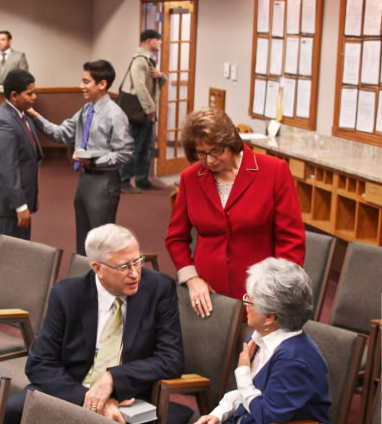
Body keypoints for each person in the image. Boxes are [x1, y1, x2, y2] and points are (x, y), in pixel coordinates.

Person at [0, 224, 186, 424]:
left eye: (138, 261)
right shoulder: (67, 294)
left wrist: (113, 379)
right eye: (124, 266)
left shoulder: (159, 288)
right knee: (13, 410)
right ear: (97, 268)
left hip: (129, 397)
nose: (135, 274)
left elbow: (172, 358)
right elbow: (39, 362)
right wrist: (90, 400)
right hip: (71, 387)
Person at [142, 257, 330, 424]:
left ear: (271, 316)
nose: (245, 305)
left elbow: (269, 417)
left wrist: (242, 373)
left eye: (249, 300)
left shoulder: (295, 359)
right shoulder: (263, 335)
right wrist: (220, 412)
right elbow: (251, 393)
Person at [165, 106, 305, 318]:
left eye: (216, 151)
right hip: (206, 294)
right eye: (201, 154)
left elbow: (291, 240)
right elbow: (176, 238)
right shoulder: (190, 178)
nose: (209, 160)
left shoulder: (274, 171)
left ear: (231, 143)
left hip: (260, 294)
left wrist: (275, 291)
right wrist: (192, 278)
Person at [28, 60, 133, 255]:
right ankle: (86, 281)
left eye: (86, 81)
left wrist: (93, 160)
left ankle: (100, 284)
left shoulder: (115, 115)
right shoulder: (86, 110)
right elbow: (60, 133)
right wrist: (34, 115)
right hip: (84, 180)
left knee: (101, 244)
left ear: (102, 84)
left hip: (104, 182)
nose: (81, 86)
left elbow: (124, 153)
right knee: (84, 242)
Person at [0, 68, 42, 258]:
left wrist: (31, 196)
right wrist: (21, 205)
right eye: (29, 93)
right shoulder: (3, 123)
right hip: (3, 204)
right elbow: (6, 169)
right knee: (6, 258)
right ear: (14, 95)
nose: (34, 97)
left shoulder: (21, 114)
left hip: (16, 198)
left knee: (19, 255)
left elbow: (28, 160)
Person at [120, 29, 166, 193]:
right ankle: (124, 181)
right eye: (157, 40)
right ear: (148, 41)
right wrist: (150, 109)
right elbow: (139, 87)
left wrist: (162, 76)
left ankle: (142, 180)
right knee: (133, 147)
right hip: (141, 112)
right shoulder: (140, 60)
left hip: (148, 112)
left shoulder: (150, 60)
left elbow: (157, 83)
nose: (160, 43)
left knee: (147, 147)